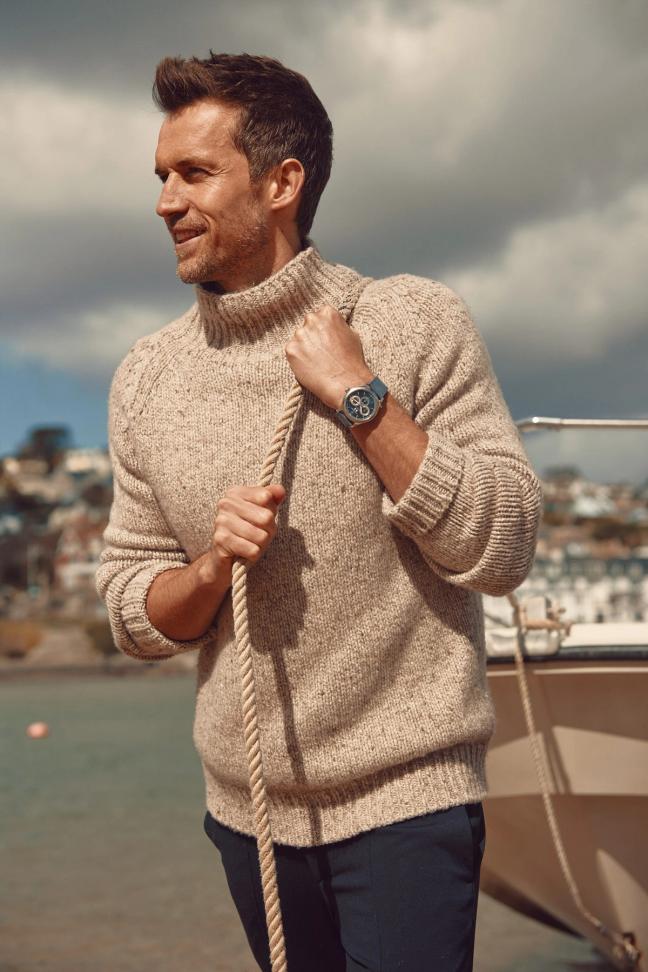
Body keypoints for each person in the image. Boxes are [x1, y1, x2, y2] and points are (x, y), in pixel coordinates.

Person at [96, 51, 543, 972]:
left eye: (194, 173)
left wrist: (360, 397)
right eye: (161, 177)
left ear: (282, 183)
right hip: (248, 817)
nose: (166, 202)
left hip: (409, 806)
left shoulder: (414, 323)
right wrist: (211, 568)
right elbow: (131, 611)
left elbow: (503, 543)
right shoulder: (146, 378)